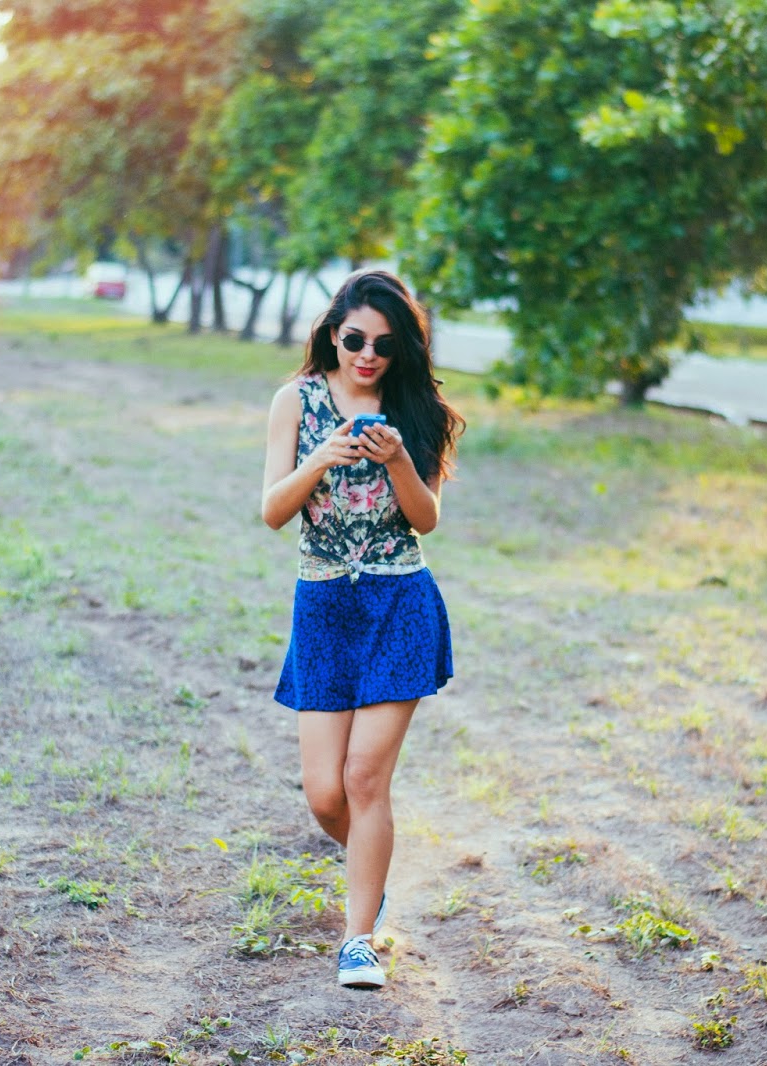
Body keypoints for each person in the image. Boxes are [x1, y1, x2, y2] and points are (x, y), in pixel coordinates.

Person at [260, 269, 465, 990]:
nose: (368, 355)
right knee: (325, 794)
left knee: (364, 777)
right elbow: (272, 511)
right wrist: (321, 457)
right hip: (323, 606)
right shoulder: (296, 400)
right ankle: (371, 878)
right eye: (355, 341)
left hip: (398, 602)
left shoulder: (416, 409)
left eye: (383, 343)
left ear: (401, 345)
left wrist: (400, 458)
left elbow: (425, 519)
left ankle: (358, 940)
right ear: (333, 335)